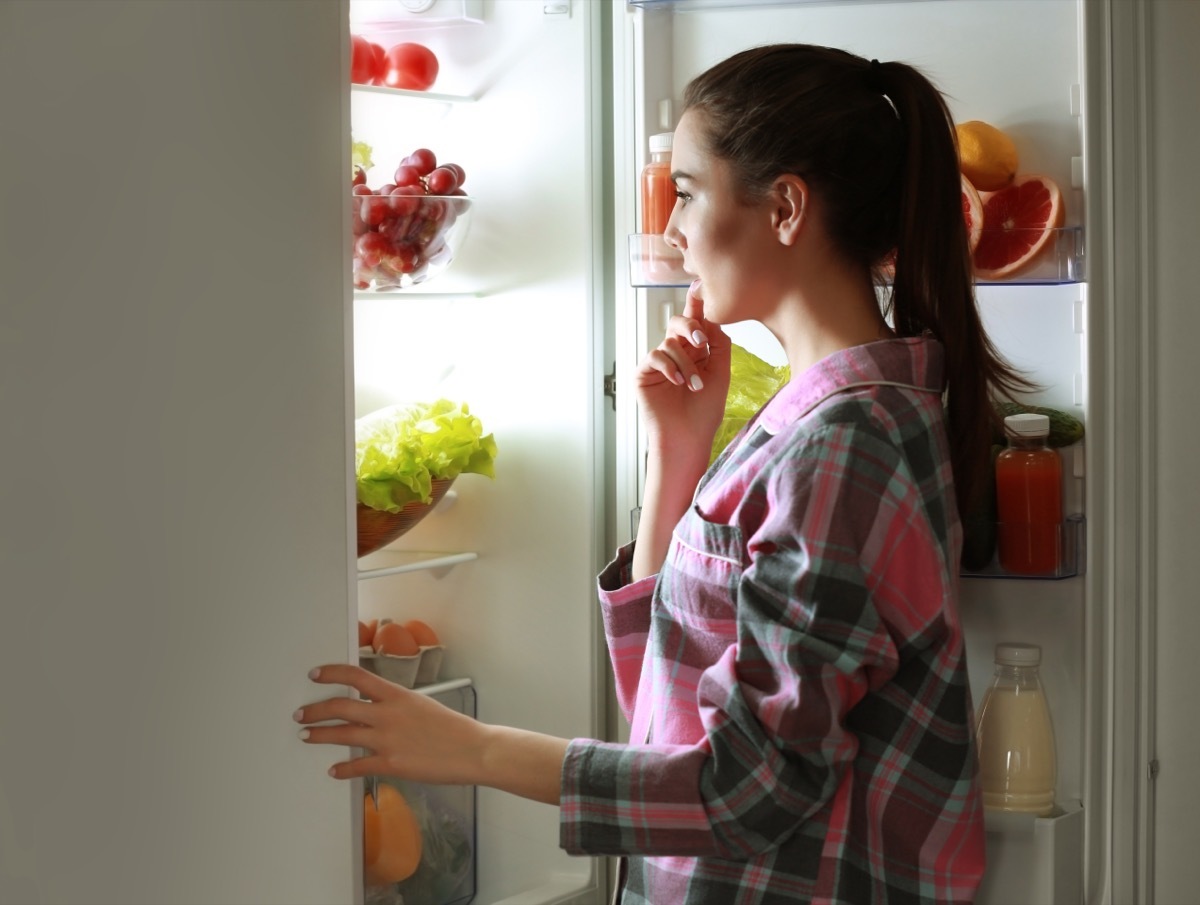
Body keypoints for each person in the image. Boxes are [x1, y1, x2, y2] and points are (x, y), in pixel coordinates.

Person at [296, 43, 1033, 903]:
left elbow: (748, 788)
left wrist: (474, 749)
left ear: (786, 206)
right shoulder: (820, 417)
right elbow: (670, 713)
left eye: (686, 192)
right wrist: (675, 466)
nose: (673, 228)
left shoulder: (847, 444)